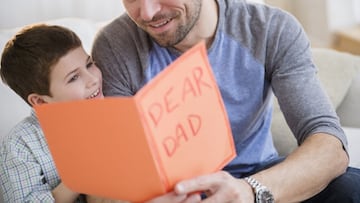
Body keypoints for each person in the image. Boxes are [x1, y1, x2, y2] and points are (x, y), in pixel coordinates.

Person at [91, 0, 360, 202]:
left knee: (350, 187)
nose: (147, 13)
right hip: (177, 191)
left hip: (258, 178)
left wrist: (250, 191)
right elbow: (123, 165)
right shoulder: (116, 46)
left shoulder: (270, 29)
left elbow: (329, 145)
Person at [0, 24, 104, 202]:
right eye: (73, 78)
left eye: (89, 64)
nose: (93, 79)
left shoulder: (114, 111)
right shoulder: (20, 144)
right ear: (40, 101)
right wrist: (79, 177)